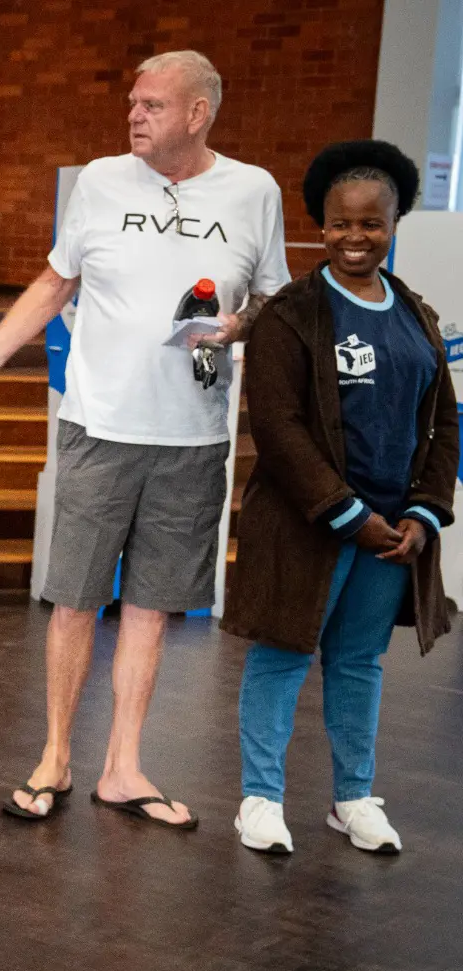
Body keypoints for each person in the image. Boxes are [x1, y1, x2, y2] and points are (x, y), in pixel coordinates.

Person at [0, 50, 290, 828]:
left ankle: (123, 765)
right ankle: (56, 754)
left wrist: (237, 326)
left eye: (153, 104)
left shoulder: (254, 191)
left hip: (193, 437)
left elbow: (269, 297)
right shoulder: (100, 181)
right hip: (98, 426)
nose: (135, 115)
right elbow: (56, 282)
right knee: (75, 600)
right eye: (133, 101)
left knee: (153, 609)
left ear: (198, 114)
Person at [224, 141, 456, 855]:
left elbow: (446, 420)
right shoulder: (291, 314)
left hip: (393, 532)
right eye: (339, 224)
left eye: (371, 224)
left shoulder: (416, 314)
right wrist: (349, 515)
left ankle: (353, 797)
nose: (355, 238)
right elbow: (279, 428)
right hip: (312, 525)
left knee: (359, 663)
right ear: (319, 226)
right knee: (285, 654)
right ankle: (260, 800)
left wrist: (421, 512)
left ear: (394, 224)